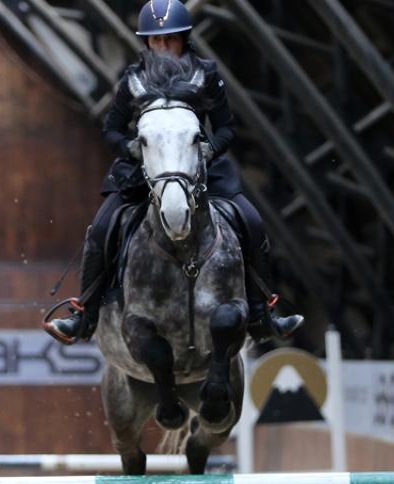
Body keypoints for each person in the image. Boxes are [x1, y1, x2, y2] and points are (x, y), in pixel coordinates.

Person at [44, 0, 304, 345]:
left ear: (184, 39)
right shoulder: (133, 79)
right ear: (147, 42)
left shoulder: (206, 74)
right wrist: (131, 148)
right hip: (145, 170)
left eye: (170, 39)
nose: (163, 46)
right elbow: (112, 129)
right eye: (156, 40)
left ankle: (261, 313)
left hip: (200, 168)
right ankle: (84, 316)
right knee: (101, 229)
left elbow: (226, 127)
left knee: (252, 221)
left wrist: (209, 150)